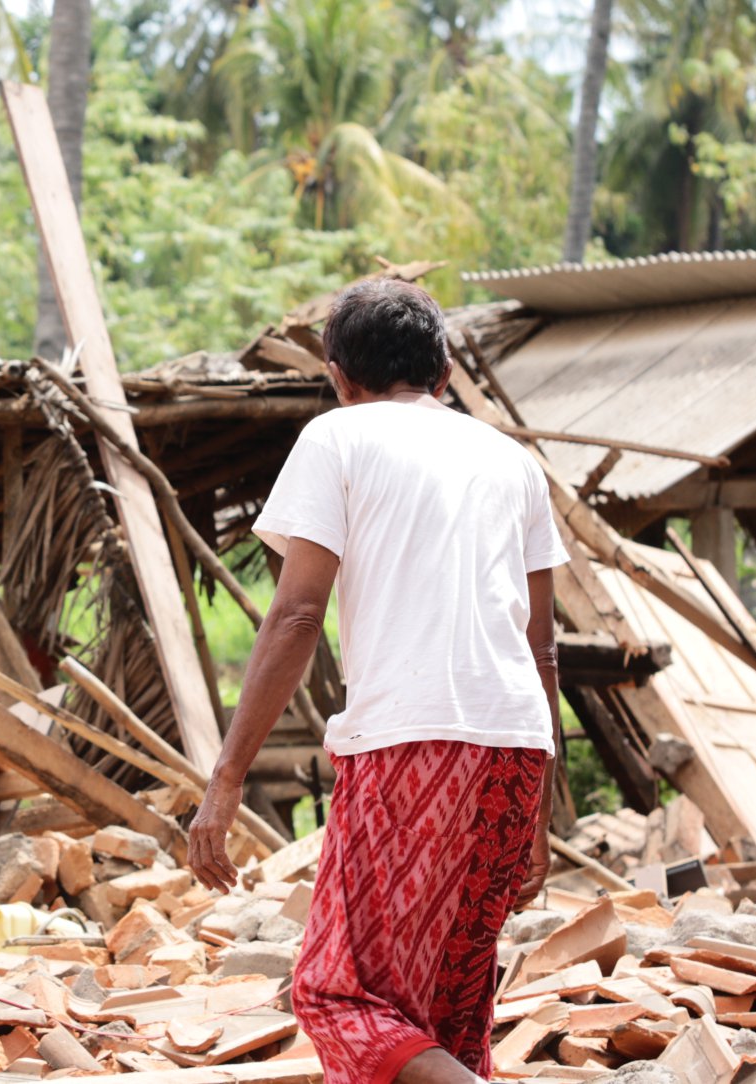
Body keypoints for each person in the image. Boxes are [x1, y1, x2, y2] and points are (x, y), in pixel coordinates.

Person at [187, 279, 567, 1084]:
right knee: (447, 1014)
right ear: (444, 368)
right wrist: (537, 817)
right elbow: (543, 654)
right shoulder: (513, 461)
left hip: (409, 745)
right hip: (514, 750)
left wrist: (225, 780)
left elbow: (295, 616)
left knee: (337, 993)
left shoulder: (339, 438)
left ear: (338, 376)